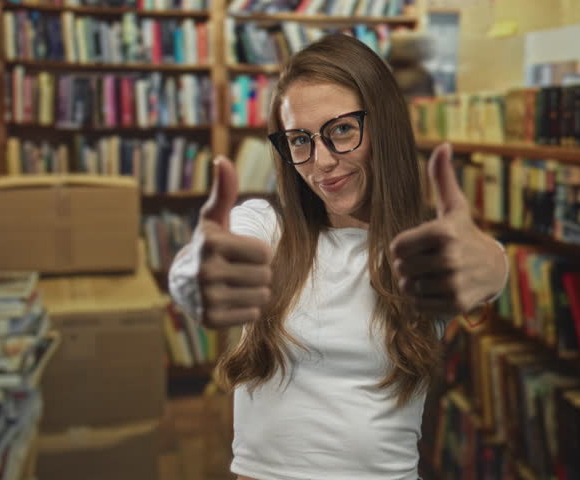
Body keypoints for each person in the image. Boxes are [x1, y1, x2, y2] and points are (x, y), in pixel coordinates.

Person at [169, 34, 508, 480]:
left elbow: (482, 267)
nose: (321, 161)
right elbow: (205, 257)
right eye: (299, 140)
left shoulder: (421, 253)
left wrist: (493, 264)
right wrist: (191, 273)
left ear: (383, 127)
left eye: (342, 130)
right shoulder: (268, 228)